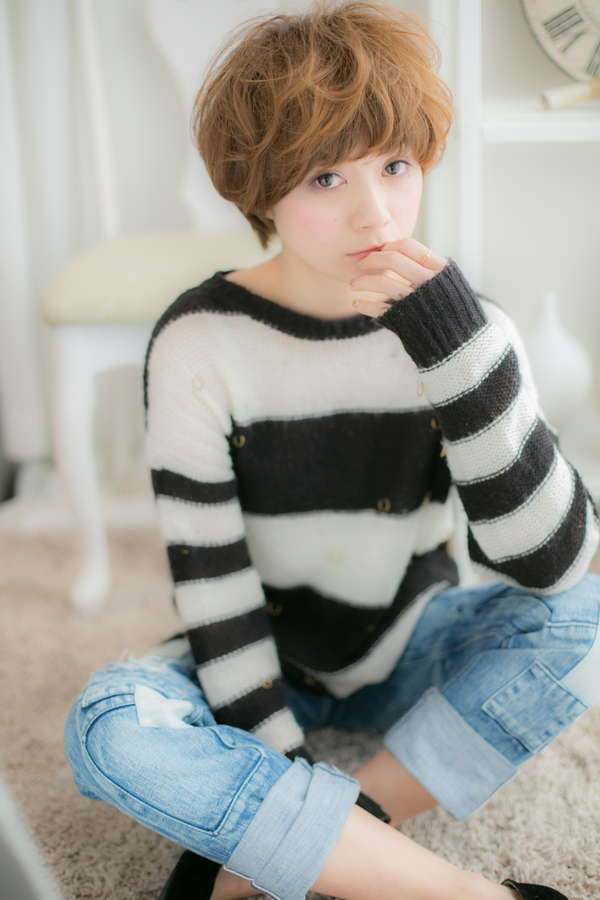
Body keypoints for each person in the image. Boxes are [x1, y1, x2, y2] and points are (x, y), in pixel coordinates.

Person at [64, 3, 600, 900]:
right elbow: (213, 583)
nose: (374, 214)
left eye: (395, 166)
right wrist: (277, 757)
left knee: (589, 617)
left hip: (411, 640)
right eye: (324, 178)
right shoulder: (198, 341)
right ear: (259, 189)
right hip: (262, 656)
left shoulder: (471, 332)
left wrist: (462, 359)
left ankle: (294, 850)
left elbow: (550, 566)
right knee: (103, 726)